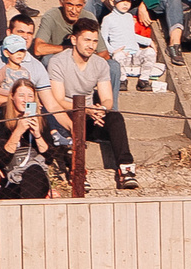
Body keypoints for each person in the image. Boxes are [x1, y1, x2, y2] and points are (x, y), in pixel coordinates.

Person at [44, 17, 136, 191]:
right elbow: (58, 99)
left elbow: (108, 99)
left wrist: (101, 109)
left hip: (90, 115)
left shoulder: (100, 64)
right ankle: (77, 171)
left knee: (115, 117)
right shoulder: (57, 62)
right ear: (74, 40)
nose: (91, 46)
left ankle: (126, 168)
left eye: (95, 41)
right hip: (68, 114)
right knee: (61, 119)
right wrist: (85, 110)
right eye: (87, 40)